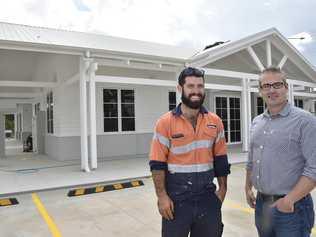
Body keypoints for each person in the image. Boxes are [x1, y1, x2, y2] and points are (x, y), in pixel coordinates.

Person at [149, 67, 230, 237]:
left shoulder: (215, 122)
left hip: (207, 197)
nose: (196, 91)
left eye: (200, 86)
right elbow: (157, 164)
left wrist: (222, 190)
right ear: (180, 88)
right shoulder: (165, 123)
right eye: (191, 86)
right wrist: (162, 197)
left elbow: (221, 159)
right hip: (177, 200)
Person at [245, 66, 316, 237]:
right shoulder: (257, 122)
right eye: (266, 86)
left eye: (277, 85)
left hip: (292, 208)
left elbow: (314, 168)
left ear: (286, 87)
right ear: (260, 91)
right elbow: (252, 159)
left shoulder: (305, 121)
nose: (271, 90)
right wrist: (247, 187)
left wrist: (289, 200)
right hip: (262, 205)